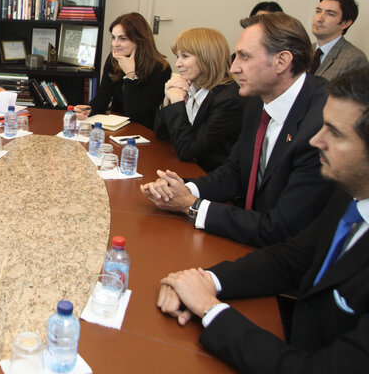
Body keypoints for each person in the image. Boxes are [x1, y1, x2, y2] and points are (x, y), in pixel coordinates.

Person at [156, 66, 369, 374]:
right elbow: (291, 258)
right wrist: (204, 282)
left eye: (335, 133)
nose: (315, 141)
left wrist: (210, 309)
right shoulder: (351, 193)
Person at [141, 12, 334, 247]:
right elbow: (236, 171)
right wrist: (183, 189)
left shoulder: (322, 123)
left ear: (281, 61)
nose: (233, 68)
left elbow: (279, 227)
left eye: (244, 57)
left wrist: (191, 205)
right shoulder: (256, 100)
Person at [153, 28, 247, 172]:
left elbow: (187, 151)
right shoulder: (194, 86)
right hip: (188, 167)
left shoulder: (228, 101)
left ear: (206, 58)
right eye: (178, 56)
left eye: (185, 56)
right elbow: (162, 134)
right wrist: (168, 99)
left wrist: (178, 101)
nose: (178, 64)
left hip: (208, 177)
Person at [74, 12, 171, 128]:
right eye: (113, 37)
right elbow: (103, 97)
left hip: (144, 131)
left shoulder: (160, 68)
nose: (115, 44)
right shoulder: (114, 59)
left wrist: (131, 75)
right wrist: (89, 109)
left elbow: (135, 114)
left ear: (140, 40)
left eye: (122, 38)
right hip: (117, 127)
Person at [310, 0, 368, 81]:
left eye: (330, 14)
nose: (319, 19)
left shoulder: (354, 59)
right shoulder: (305, 49)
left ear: (345, 23)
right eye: (318, 11)